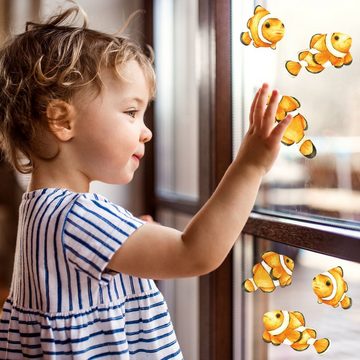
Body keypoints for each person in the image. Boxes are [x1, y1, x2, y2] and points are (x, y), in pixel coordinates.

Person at [0, 4, 291, 360]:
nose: (147, 132)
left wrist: (126, 244)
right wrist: (250, 166)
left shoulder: (44, 210)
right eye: (131, 112)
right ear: (62, 121)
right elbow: (195, 253)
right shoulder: (77, 216)